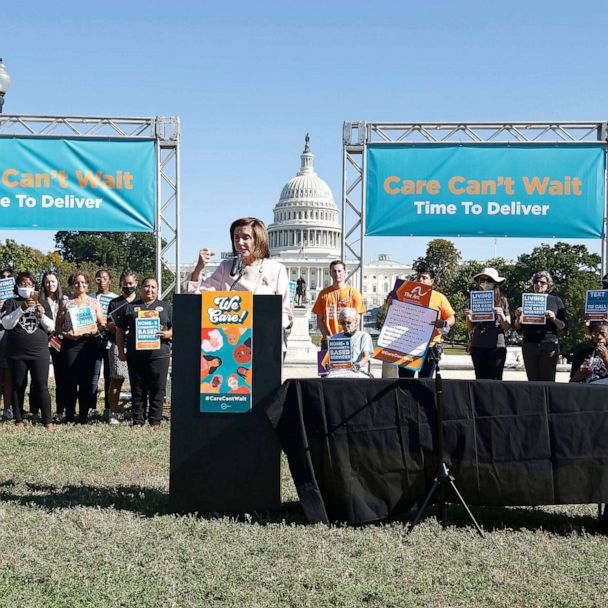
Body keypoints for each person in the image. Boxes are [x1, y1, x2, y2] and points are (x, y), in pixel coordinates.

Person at [187, 217, 291, 335]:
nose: (239, 242)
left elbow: (284, 310)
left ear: (258, 240)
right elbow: (196, 297)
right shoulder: (226, 267)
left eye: (246, 237)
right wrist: (199, 267)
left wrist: (278, 328)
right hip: (230, 340)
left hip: (264, 338)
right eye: (236, 238)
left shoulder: (276, 269)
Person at [116, 277, 172, 429]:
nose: (150, 290)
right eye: (146, 286)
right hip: (136, 355)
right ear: (141, 288)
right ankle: (138, 420)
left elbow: (177, 326)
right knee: (138, 388)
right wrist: (121, 351)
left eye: (153, 287)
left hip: (159, 355)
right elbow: (119, 329)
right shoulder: (130, 307)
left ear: (158, 289)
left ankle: (155, 421)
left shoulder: (166, 307)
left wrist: (168, 334)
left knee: (158, 388)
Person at [1, 271, 55, 428]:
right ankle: (18, 419)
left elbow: (51, 327)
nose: (26, 287)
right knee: (18, 384)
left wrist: (41, 316)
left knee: (42, 385)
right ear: (17, 286)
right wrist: (21, 309)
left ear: (34, 287)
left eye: (29, 284)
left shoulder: (43, 303)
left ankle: (48, 421)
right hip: (17, 352)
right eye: (23, 284)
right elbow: (7, 324)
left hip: (39, 351)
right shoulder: (11, 303)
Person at [55, 271, 106, 423]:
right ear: (71, 285)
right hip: (71, 344)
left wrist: (96, 330)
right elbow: (58, 326)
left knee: (86, 381)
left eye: (83, 282)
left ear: (88, 284)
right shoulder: (66, 302)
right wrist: (67, 334)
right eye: (76, 282)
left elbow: (102, 324)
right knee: (70, 381)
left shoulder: (94, 302)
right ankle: (70, 415)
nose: (80, 285)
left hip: (89, 344)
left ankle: (84, 415)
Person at [398, 267, 455, 379]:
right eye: (418, 277)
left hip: (430, 346)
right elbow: (396, 312)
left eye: (424, 278)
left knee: (425, 382)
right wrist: (391, 303)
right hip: (408, 344)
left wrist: (444, 323)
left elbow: (452, 318)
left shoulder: (439, 297)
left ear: (431, 281)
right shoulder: (406, 294)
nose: (420, 280)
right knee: (405, 381)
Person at [514, 271, 567, 381]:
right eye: (535, 282)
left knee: (548, 379)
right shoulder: (526, 299)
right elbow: (518, 329)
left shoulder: (555, 300)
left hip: (549, 344)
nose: (538, 285)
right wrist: (518, 317)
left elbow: (563, 326)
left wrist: (553, 318)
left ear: (548, 285)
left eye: (542, 282)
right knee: (532, 380)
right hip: (529, 344)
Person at [465, 267, 511, 380]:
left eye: (489, 280)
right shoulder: (474, 300)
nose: (485, 283)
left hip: (496, 345)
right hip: (478, 345)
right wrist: (468, 317)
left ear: (495, 283)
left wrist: (501, 315)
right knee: (480, 380)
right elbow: (470, 327)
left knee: (495, 380)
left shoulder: (503, 300)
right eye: (482, 280)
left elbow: (507, 327)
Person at [105, 270, 139, 424]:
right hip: (117, 345)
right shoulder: (115, 303)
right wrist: (116, 324)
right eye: (125, 283)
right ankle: (113, 412)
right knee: (117, 379)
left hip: (138, 345)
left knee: (138, 381)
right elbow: (108, 324)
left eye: (130, 283)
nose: (128, 286)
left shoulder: (141, 301)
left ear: (136, 284)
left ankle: (137, 411)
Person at [312, 260, 365, 349]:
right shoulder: (323, 294)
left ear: (344, 273)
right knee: (325, 363)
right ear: (330, 273)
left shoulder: (354, 293)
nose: (337, 274)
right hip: (328, 340)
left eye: (339, 271)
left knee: (348, 363)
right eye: (334, 271)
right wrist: (326, 336)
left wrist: (349, 334)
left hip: (348, 339)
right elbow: (319, 319)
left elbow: (357, 318)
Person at [41, 270, 68, 419]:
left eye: (53, 281)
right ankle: (35, 409)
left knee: (61, 378)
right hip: (42, 342)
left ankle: (60, 411)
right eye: (47, 282)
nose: (50, 284)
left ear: (58, 283)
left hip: (60, 342)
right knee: (40, 379)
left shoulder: (64, 300)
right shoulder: (39, 300)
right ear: (43, 284)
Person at [91, 269, 118, 417]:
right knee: (93, 375)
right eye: (98, 278)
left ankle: (108, 408)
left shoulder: (116, 299)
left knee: (110, 376)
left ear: (110, 281)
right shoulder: (90, 297)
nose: (102, 281)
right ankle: (92, 407)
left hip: (110, 341)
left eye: (105, 278)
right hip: (93, 341)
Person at [326, 307, 373, 378]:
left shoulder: (364, 336)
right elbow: (330, 359)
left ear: (355, 321)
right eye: (342, 323)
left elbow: (365, 357)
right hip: (339, 371)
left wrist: (357, 366)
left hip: (359, 370)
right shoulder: (335, 338)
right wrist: (328, 365)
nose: (345, 326)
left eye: (348, 322)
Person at [0, 268, 15, 420]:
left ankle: (7, 409)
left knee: (8, 377)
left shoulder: (16, 300)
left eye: (8, 277)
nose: (5, 279)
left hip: (10, 342)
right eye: (2, 277)